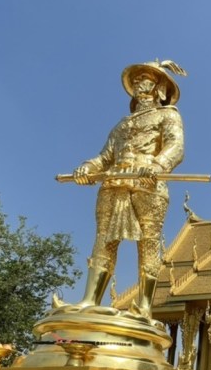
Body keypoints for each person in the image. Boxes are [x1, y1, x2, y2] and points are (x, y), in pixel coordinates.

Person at [67, 60, 186, 316]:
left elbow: (175, 147)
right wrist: (87, 168)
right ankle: (90, 299)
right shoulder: (121, 125)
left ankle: (144, 305)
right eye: (136, 79)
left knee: (149, 242)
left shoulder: (168, 115)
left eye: (145, 79)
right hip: (114, 182)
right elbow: (105, 157)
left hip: (147, 184)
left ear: (159, 87)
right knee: (104, 240)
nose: (138, 83)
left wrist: (157, 165)